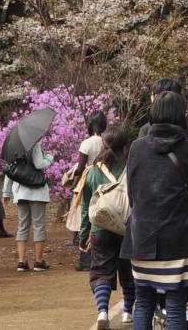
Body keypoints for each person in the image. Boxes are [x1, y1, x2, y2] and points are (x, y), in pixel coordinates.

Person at [123, 90, 188, 330]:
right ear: (180, 116)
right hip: (179, 237)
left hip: (141, 237)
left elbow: (132, 190)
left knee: (143, 301)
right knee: (176, 303)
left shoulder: (137, 147)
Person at [80, 126, 136, 330]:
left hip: (100, 229)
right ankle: (128, 312)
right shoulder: (133, 168)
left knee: (101, 271)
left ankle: (103, 311)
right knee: (129, 270)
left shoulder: (93, 171)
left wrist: (84, 234)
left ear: (104, 145)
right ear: (126, 145)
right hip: (128, 227)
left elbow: (87, 205)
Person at [1, 122, 55, 271]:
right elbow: (39, 164)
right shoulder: (35, 144)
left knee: (23, 225)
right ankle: (38, 261)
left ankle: (22, 262)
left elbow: (10, 172)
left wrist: (6, 193)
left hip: (21, 191)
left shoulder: (15, 150)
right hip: (37, 191)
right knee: (38, 225)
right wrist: (50, 158)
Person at [70, 111, 110, 271]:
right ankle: (102, 255)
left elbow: (80, 168)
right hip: (106, 180)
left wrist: (73, 180)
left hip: (89, 180)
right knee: (102, 213)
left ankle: (85, 258)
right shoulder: (106, 142)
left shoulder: (87, 143)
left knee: (86, 215)